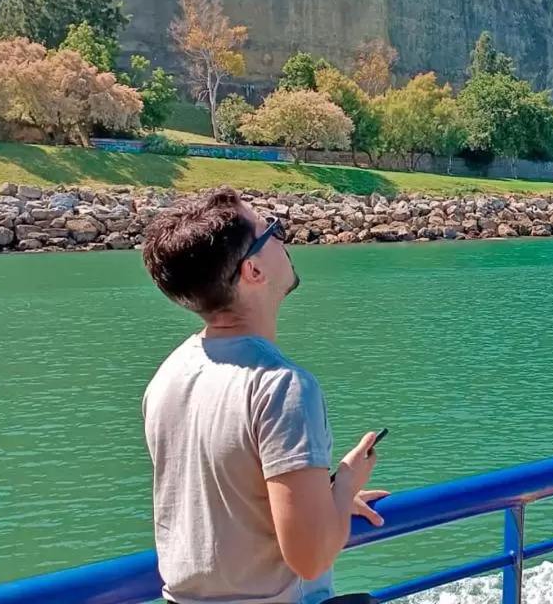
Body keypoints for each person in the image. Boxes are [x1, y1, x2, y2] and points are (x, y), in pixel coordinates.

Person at [141, 186, 387, 604]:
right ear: (253, 271)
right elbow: (308, 560)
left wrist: (316, 502)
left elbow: (229, 496)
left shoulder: (170, 374)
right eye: (273, 229)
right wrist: (344, 485)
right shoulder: (281, 386)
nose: (284, 238)